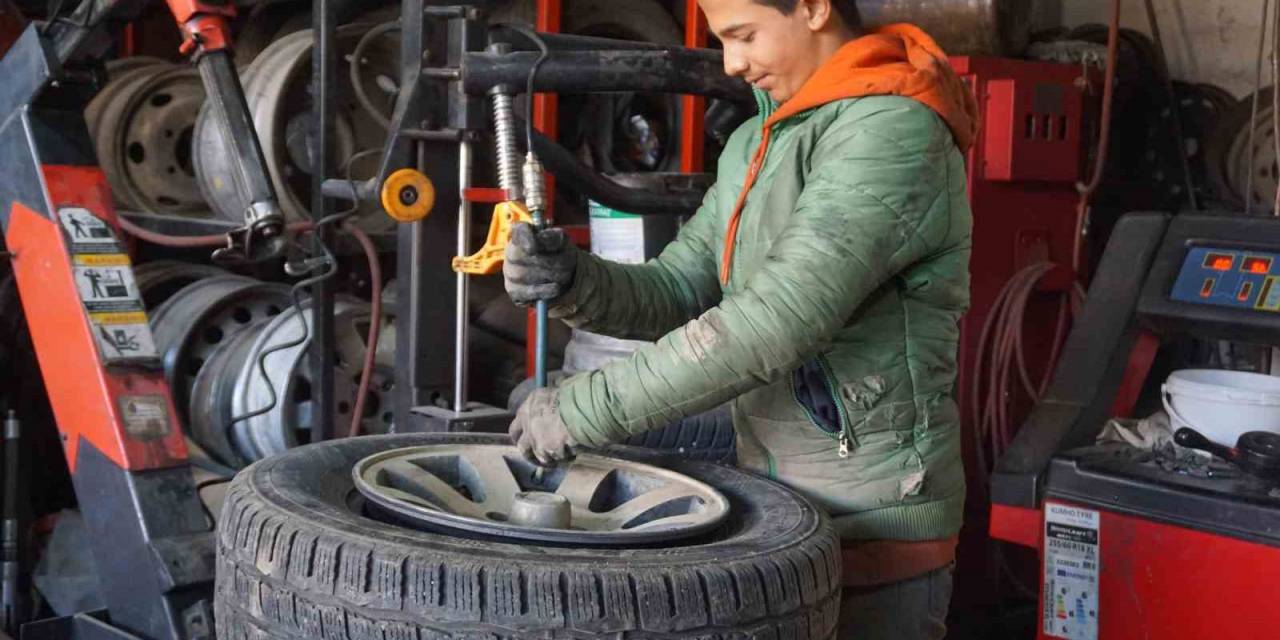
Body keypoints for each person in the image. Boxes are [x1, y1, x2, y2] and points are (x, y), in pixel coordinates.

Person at [505, 0, 977, 636]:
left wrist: (581, 409)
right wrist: (574, 281)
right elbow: (680, 287)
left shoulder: (892, 129)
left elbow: (777, 322)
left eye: (744, 35)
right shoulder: (759, 140)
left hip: (874, 526)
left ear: (812, 9)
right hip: (781, 514)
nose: (732, 63)